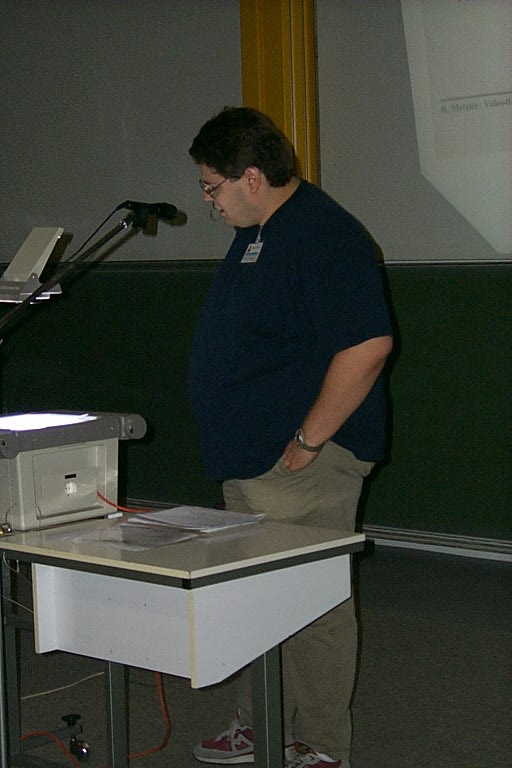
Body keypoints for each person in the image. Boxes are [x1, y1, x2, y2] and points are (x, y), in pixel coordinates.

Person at [187, 106, 394, 768]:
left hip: (302, 463)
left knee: (312, 604)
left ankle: (322, 745)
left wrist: (307, 441)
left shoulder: (323, 234)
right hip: (255, 459)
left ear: (251, 177)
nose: (209, 201)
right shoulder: (260, 231)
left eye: (213, 186)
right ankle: (262, 722)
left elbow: (367, 346)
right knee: (256, 596)